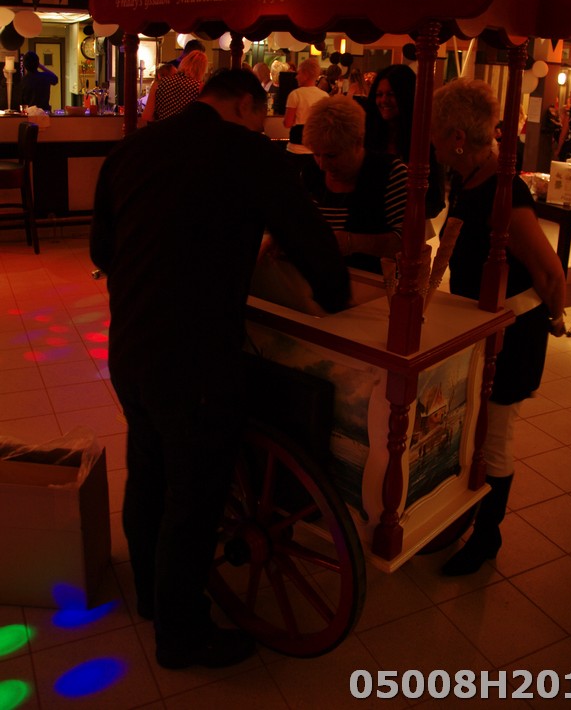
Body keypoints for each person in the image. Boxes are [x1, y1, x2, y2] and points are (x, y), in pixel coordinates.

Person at [90, 67, 350, 671]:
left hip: (129, 344)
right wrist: (336, 297)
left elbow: (104, 250)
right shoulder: (248, 153)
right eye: (261, 118)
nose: (261, 127)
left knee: (149, 469)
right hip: (197, 358)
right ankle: (182, 635)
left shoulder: (132, 149)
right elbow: (309, 238)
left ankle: (153, 595)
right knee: (195, 493)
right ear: (246, 106)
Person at [430, 78, 566, 576]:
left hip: (513, 331)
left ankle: (488, 535)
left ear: (457, 138)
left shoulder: (505, 191)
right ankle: (469, 517)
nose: (432, 144)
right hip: (485, 326)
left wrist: (556, 317)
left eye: (436, 135)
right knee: (477, 430)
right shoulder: (471, 180)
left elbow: (550, 272)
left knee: (496, 437)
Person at [301, 94, 410, 274]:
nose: (322, 165)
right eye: (316, 154)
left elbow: (408, 242)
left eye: (331, 155)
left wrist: (352, 242)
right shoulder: (311, 173)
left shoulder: (390, 173)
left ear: (358, 142)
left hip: (374, 283)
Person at [365, 64, 446, 220]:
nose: (383, 100)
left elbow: (436, 200)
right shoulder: (369, 134)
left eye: (391, 94)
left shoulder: (424, 138)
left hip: (410, 223)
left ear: (406, 96)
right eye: (379, 94)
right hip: (371, 221)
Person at [142, 49, 208, 122]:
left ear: (184, 63)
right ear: (201, 71)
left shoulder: (159, 83)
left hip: (162, 128)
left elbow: (147, 116)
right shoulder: (200, 88)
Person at [283, 57, 325, 165]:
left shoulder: (295, 95)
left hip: (296, 148)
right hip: (316, 149)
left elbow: (287, 123)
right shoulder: (325, 96)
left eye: (299, 73)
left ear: (306, 74)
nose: (296, 77)